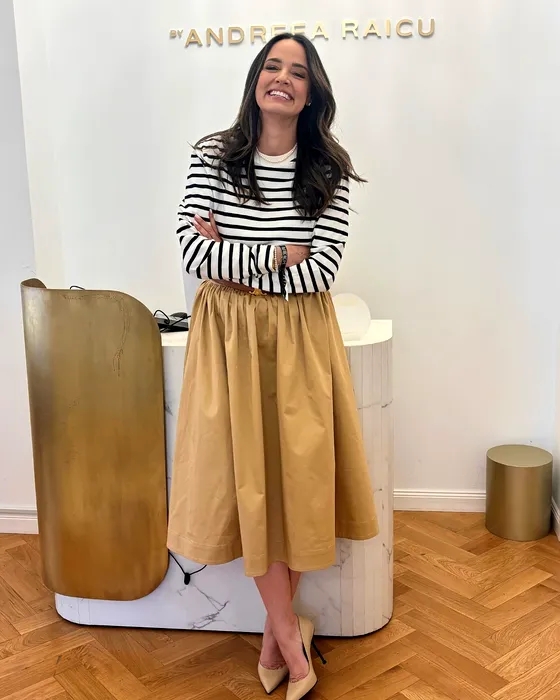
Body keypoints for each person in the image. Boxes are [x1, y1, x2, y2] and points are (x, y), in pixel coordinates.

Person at [167, 33, 378, 700]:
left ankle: (277, 636)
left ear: (312, 93)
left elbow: (320, 270)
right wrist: (279, 254)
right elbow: (192, 253)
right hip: (226, 335)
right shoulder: (214, 155)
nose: (281, 78)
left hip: (299, 335)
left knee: (296, 479)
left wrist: (236, 251)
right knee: (246, 479)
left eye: (297, 71)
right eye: (272, 66)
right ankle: (290, 635)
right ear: (256, 78)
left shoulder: (328, 170)